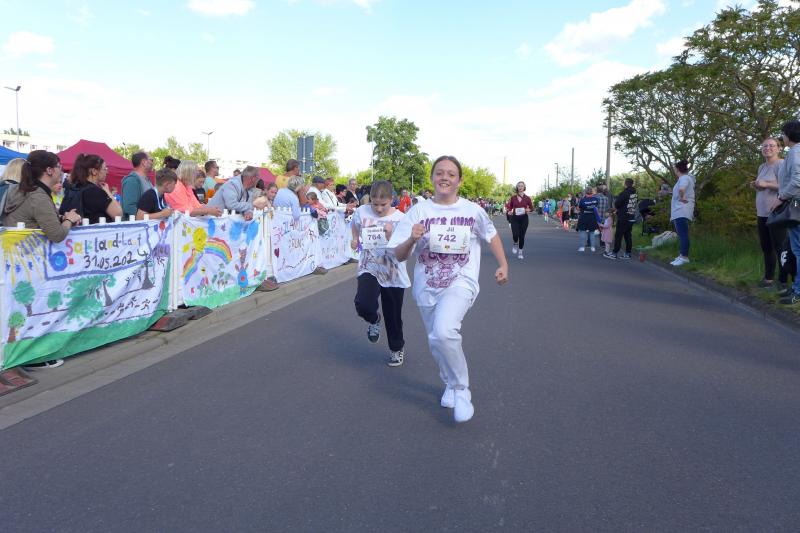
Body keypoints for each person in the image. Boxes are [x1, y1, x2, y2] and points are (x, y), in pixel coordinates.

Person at [388, 155, 508, 424]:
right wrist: (412, 239)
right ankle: (450, 383)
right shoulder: (418, 212)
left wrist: (503, 264)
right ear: (432, 178)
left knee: (444, 331)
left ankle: (461, 389)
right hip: (426, 286)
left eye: (451, 174)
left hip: (461, 281)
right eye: (440, 173)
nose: (445, 178)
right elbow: (398, 254)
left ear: (459, 181)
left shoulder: (472, 211)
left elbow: (491, 234)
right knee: (436, 340)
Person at [3, 151, 83, 370]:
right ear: (49, 170)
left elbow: (39, 220)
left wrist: (61, 218)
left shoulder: (22, 191)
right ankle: (34, 356)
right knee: (32, 308)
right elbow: (56, 234)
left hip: (16, 261)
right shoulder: (38, 195)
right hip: (28, 261)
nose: (62, 171)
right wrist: (68, 220)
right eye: (59, 167)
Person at [350, 181, 411, 366]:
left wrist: (391, 235)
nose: (378, 208)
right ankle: (374, 319)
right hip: (370, 266)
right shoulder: (362, 212)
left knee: (393, 315)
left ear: (392, 200)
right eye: (374, 203)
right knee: (363, 303)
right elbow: (354, 225)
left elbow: (405, 249)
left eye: (383, 204)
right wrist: (354, 238)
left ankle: (396, 348)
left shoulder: (401, 219)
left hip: (393, 271)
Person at [752, 137, 783, 289]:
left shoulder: (782, 164)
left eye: (771, 145)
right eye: (764, 146)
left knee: (780, 249)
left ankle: (783, 282)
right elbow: (764, 186)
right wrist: (757, 185)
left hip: (777, 213)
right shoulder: (762, 167)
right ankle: (768, 279)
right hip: (762, 213)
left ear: (779, 148)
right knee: (766, 247)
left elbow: (787, 186)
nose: (767, 148)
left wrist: (766, 184)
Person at [60, 154, 123, 224]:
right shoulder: (95, 192)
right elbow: (118, 214)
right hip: (94, 230)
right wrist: (107, 191)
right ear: (94, 171)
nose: (107, 172)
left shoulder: (72, 189)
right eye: (104, 169)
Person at [777, 120, 800, 305]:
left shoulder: (795, 152)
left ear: (789, 135)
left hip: (797, 205)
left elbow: (797, 181)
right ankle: (796, 287)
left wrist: (781, 197)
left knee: (798, 250)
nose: (782, 137)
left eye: (783, 133)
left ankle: (798, 291)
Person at [669, 160, 696, 266]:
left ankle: (684, 257)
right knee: (682, 234)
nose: (674, 171)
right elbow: (680, 190)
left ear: (677, 170)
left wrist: (682, 197)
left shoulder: (684, 178)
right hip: (680, 211)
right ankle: (681, 255)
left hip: (681, 210)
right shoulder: (685, 178)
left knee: (683, 234)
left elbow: (681, 189)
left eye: (675, 169)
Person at [606, 178, 638, 260]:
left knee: (618, 235)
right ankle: (628, 253)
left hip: (623, 217)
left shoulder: (624, 193)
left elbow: (617, 203)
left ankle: (614, 253)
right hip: (631, 216)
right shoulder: (635, 194)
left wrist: (617, 208)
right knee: (628, 235)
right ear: (632, 184)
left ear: (625, 184)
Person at [121, 151, 154, 218]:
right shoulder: (131, 181)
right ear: (144, 162)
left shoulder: (147, 180)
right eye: (151, 160)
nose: (152, 163)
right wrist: (152, 216)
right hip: (137, 224)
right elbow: (129, 208)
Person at [506, 181, 532, 259]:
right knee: (515, 234)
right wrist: (509, 211)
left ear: (524, 188)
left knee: (521, 236)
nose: (520, 187)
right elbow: (509, 207)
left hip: (524, 219)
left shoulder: (527, 198)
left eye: (522, 186)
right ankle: (515, 243)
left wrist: (528, 210)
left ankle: (520, 252)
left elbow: (531, 208)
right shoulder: (513, 198)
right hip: (515, 218)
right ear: (517, 187)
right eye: (519, 186)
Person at [576, 186, 599, 252]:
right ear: (592, 192)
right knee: (592, 232)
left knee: (582, 232)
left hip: (584, 217)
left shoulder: (582, 200)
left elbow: (579, 208)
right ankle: (592, 247)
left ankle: (582, 247)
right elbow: (596, 207)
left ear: (585, 192)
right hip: (592, 217)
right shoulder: (596, 199)